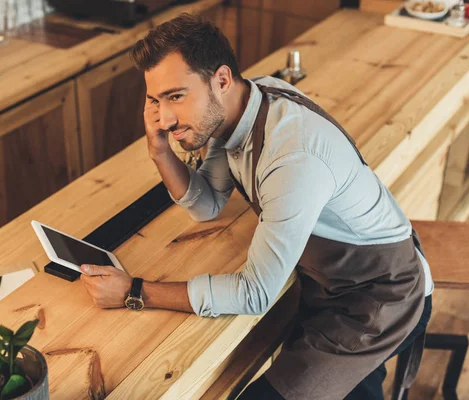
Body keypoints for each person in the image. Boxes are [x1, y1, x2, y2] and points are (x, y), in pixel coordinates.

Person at [79, 13, 433, 399]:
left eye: (176, 96)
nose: (164, 118)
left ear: (222, 80)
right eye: (155, 99)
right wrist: (158, 149)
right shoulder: (244, 102)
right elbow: (208, 204)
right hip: (327, 287)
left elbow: (254, 294)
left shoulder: (292, 156)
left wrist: (135, 291)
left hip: (379, 300)